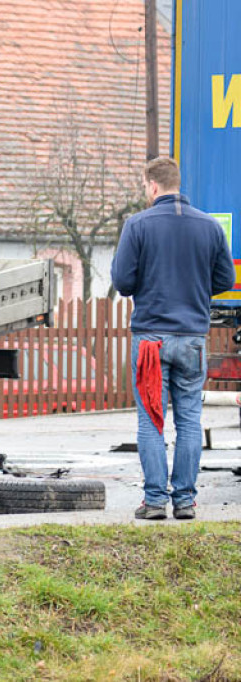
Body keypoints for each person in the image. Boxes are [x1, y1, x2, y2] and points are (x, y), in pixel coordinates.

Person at [111, 156, 235, 521]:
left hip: (151, 339)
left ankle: (153, 502)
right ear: (177, 184)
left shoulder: (137, 225)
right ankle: (184, 501)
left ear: (152, 186)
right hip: (193, 337)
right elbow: (225, 280)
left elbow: (122, 281)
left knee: (152, 420)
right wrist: (196, 287)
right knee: (190, 420)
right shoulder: (210, 227)